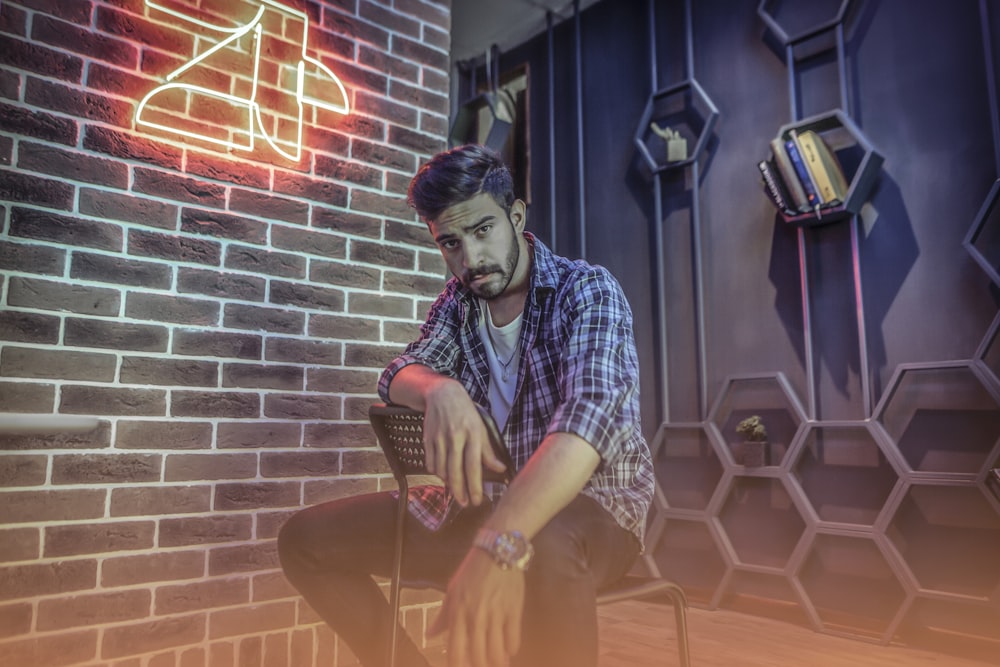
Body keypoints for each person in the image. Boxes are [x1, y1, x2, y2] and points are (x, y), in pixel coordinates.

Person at [278, 144, 654, 667]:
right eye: (450, 243)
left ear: (516, 217)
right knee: (304, 541)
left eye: (482, 231)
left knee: (540, 548)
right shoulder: (459, 304)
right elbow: (397, 374)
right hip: (485, 509)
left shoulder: (585, 290)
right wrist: (440, 390)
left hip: (595, 512)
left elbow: (583, 430)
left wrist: (496, 544)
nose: (470, 259)